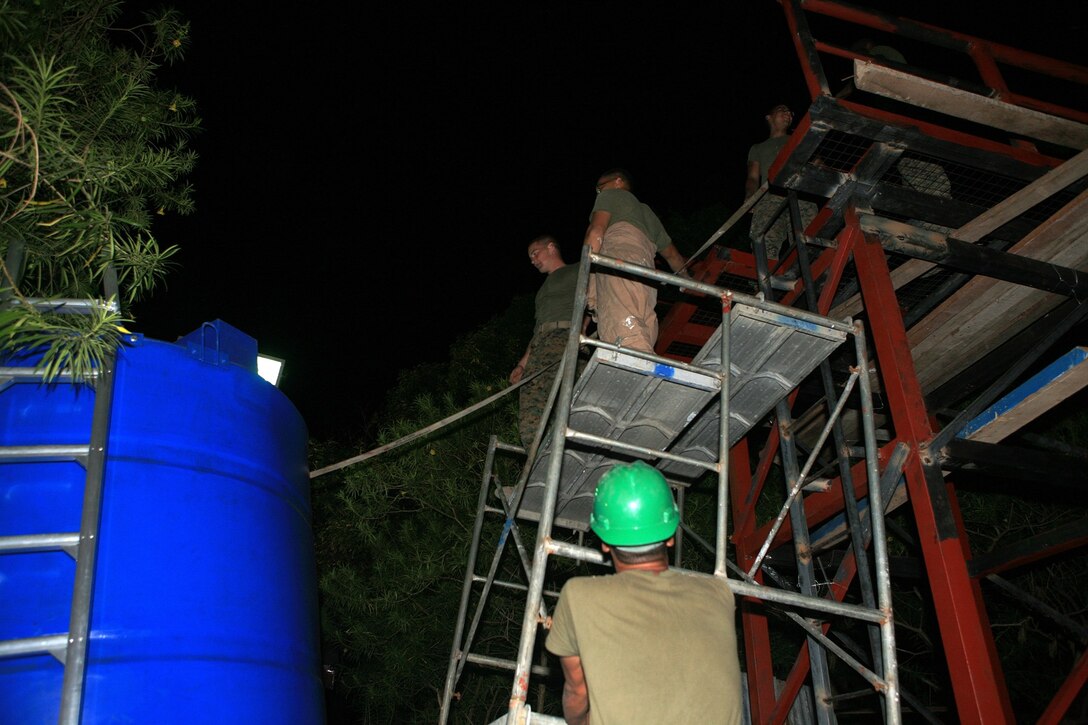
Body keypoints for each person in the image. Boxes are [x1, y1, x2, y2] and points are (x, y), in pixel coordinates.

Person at [545, 461, 743, 725]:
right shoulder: (719, 594)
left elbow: (577, 692)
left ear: (604, 542)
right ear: (671, 535)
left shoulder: (577, 596)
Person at [583, 169, 688, 353]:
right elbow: (672, 255)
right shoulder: (646, 212)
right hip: (645, 272)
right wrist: (687, 281)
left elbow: (596, 231)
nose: (599, 193)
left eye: (600, 188)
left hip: (618, 260)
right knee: (642, 322)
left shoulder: (611, 196)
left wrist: (585, 272)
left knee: (622, 329)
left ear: (617, 182)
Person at [509, 235, 582, 448]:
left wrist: (582, 329)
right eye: (530, 257)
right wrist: (523, 363)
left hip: (565, 337)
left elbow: (593, 297)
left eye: (535, 253)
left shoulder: (577, 269)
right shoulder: (542, 291)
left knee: (567, 397)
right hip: (541, 343)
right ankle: (538, 453)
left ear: (551, 247)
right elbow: (538, 329)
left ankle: (571, 447)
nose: (533, 260)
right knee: (531, 397)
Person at [744, 104, 817, 260]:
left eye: (790, 112)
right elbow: (752, 177)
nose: (788, 114)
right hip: (769, 196)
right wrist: (750, 198)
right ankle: (763, 280)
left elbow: (817, 163)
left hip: (800, 193)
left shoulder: (799, 138)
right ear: (769, 117)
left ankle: (811, 276)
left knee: (807, 239)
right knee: (763, 241)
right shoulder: (758, 148)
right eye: (782, 110)